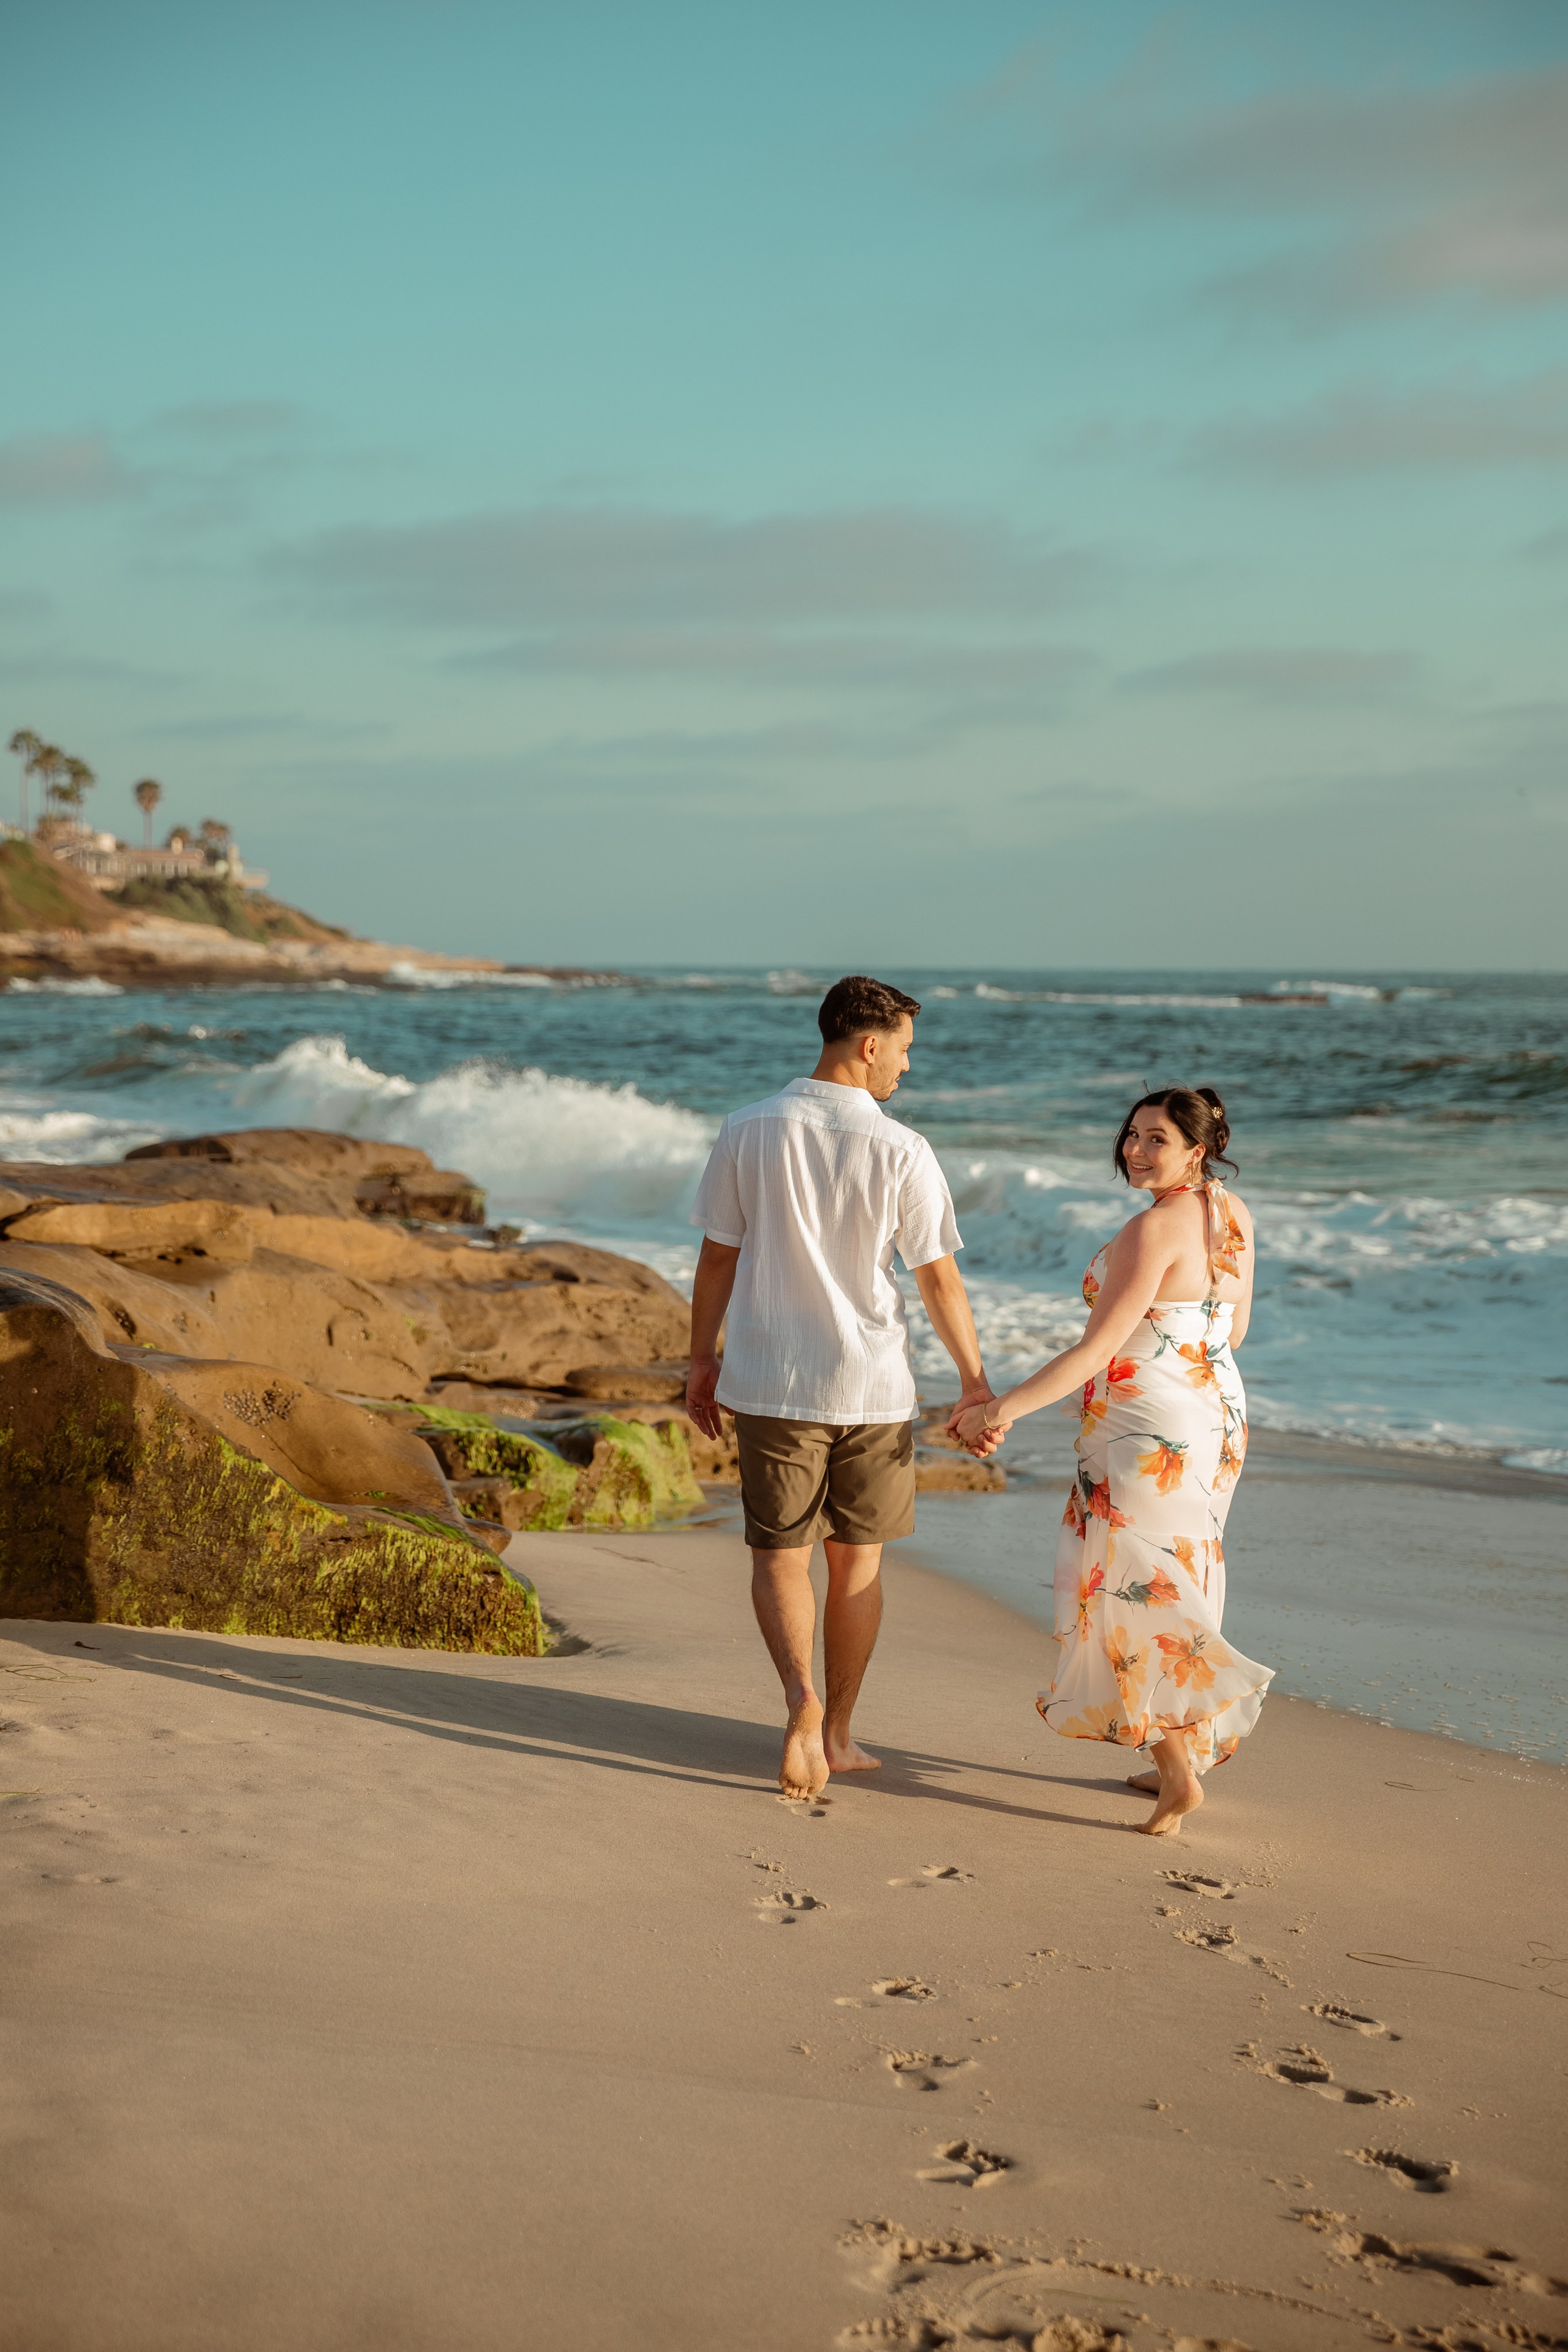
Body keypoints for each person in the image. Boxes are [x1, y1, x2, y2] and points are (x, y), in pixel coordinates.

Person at [686, 975, 993, 1801]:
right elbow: (939, 1283)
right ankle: (839, 1734)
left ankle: (799, 1704)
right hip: (871, 1387)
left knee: (780, 1555)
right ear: (867, 1044)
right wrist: (973, 1383)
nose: (905, 1066)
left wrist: (700, 1361)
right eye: (902, 1049)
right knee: (858, 1563)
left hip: (770, 1378)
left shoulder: (747, 1128)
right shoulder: (902, 1149)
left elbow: (718, 1256)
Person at [953, 1087, 1273, 1838]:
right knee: (1178, 1569)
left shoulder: (1151, 1228)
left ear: (1198, 1148)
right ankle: (1178, 1746)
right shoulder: (1232, 1213)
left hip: (1151, 1424)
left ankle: (1175, 1775)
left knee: (1133, 1584)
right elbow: (1234, 1328)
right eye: (1131, 1135)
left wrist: (998, 1411)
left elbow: (1096, 1347)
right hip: (1214, 1413)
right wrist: (1144, 1381)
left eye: (1155, 1139)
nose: (1134, 1150)